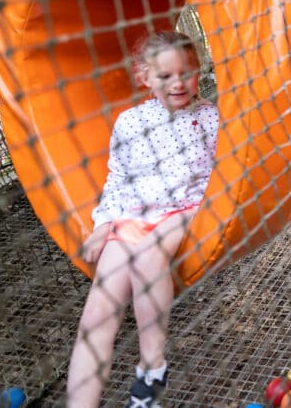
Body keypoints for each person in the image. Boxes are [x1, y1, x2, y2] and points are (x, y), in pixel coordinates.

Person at [67, 31, 219, 408]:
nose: (178, 83)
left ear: (198, 71)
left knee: (149, 256)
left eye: (186, 72)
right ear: (144, 77)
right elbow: (117, 178)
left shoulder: (210, 117)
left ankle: (152, 367)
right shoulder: (130, 121)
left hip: (184, 208)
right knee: (96, 315)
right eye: (165, 76)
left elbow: (227, 171)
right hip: (132, 215)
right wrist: (103, 225)